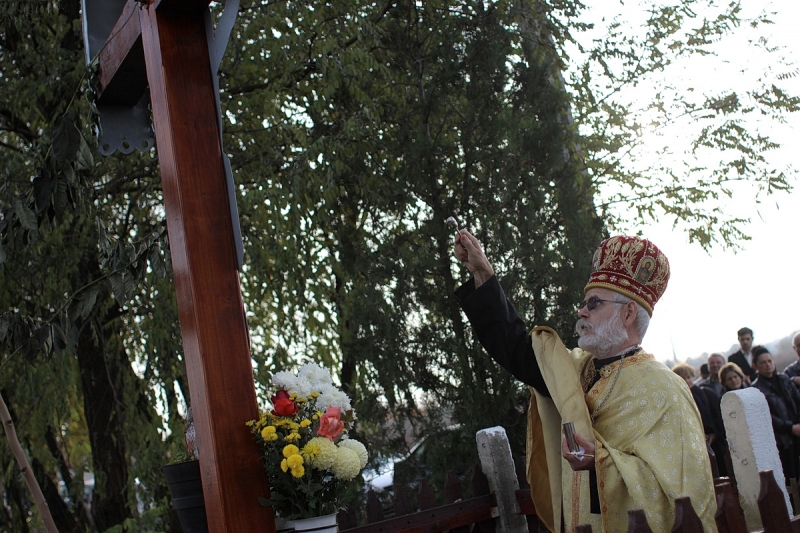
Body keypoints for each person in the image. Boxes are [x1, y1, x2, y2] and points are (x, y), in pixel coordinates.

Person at [453, 233, 716, 532]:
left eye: (594, 302)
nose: (581, 310)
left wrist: (599, 462)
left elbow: (684, 495)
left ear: (628, 313)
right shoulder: (576, 368)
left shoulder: (665, 389)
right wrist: (483, 274)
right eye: (584, 302)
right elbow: (516, 350)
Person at [751, 345, 800, 483]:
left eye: (769, 361)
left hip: (797, 430)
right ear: (755, 365)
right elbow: (767, 417)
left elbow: (797, 400)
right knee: (791, 477)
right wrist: (791, 427)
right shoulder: (756, 389)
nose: (768, 365)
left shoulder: (785, 379)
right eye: (763, 362)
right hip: (781, 440)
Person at [672, 364, 719, 446]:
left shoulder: (706, 393)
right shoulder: (676, 400)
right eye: (682, 379)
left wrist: (714, 433)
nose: (686, 381)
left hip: (716, 440)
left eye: (688, 377)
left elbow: (716, 414)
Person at [697, 353, 727, 475]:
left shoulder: (732, 379)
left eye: (718, 362)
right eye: (712, 363)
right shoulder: (702, 387)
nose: (715, 365)